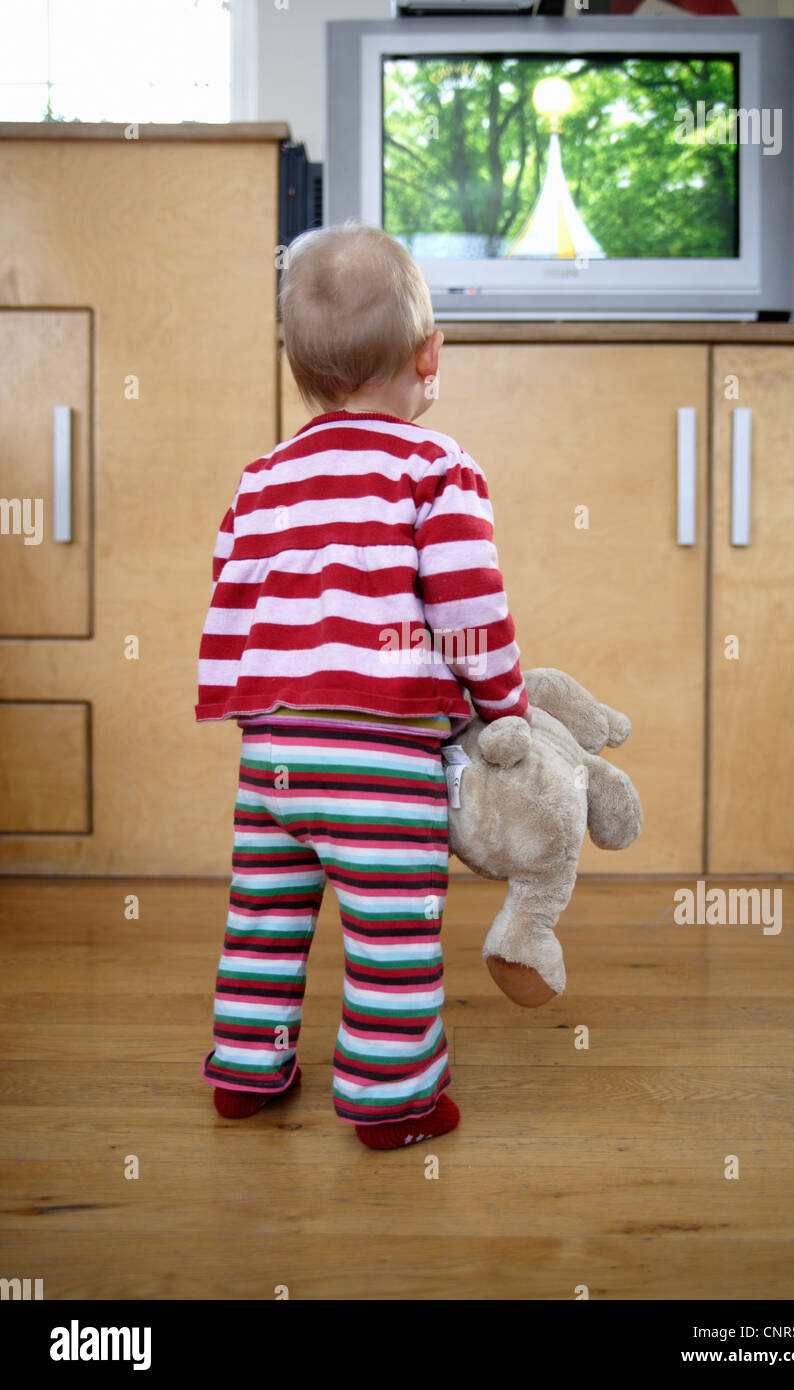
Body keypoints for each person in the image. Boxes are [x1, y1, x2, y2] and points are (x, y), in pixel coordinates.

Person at [195, 221, 529, 1149]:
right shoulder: (436, 468)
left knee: (261, 920)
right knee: (390, 936)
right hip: (379, 758)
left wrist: (260, 725)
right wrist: (506, 707)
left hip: (275, 756)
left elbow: (234, 598)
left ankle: (247, 1071)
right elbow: (469, 608)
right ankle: (394, 1103)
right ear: (431, 356)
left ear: (298, 367)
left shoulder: (261, 478)